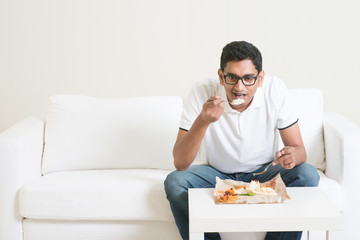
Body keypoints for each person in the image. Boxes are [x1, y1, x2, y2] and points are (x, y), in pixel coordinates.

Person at [164, 41, 320, 240]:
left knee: (307, 174)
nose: (239, 88)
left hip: (264, 173)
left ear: (260, 78)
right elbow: (180, 163)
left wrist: (291, 157)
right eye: (232, 78)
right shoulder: (202, 92)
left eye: (248, 79)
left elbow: (300, 152)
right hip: (216, 175)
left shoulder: (275, 90)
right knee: (175, 182)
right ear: (221, 76)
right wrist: (203, 121)